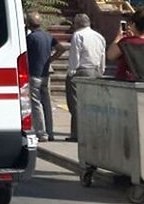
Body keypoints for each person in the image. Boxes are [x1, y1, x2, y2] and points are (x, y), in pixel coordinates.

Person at [64, 13, 106, 142]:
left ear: (77, 24)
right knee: (93, 103)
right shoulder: (99, 36)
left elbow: (75, 55)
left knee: (75, 103)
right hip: (96, 71)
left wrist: (71, 72)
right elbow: (102, 55)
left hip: (81, 70)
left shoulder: (78, 35)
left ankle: (77, 133)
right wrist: (101, 71)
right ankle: (94, 131)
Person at [25, 10, 64, 141]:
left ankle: (41, 133)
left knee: (36, 104)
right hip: (45, 74)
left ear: (28, 24)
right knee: (46, 103)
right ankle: (50, 131)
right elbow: (61, 49)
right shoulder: (48, 36)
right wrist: (50, 59)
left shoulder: (30, 38)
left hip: (34, 74)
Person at [107, 9, 144, 81]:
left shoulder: (126, 42)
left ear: (134, 24)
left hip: (127, 82)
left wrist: (118, 37)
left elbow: (110, 55)